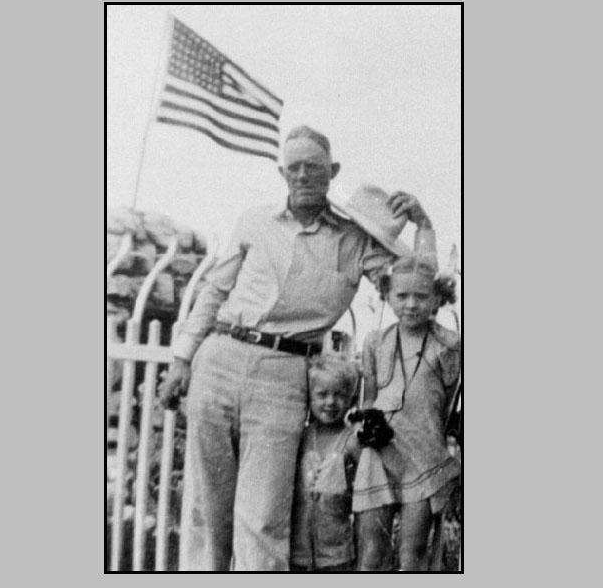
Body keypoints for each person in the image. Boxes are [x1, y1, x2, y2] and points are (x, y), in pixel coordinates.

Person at [157, 125, 434, 571]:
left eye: (315, 168)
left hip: (285, 373)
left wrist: (424, 225)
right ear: (282, 171)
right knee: (206, 507)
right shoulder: (254, 220)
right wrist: (181, 359)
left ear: (333, 172)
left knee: (264, 514)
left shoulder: (356, 240)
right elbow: (213, 290)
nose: (303, 176)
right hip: (220, 356)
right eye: (295, 167)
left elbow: (418, 287)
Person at [351, 256, 461, 571]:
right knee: (371, 550)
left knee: (412, 553)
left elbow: (450, 405)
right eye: (401, 296)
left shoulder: (450, 344)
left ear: (438, 298)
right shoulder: (376, 342)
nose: (411, 304)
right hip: (381, 449)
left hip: (424, 454)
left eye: (421, 296)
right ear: (387, 295)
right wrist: (369, 420)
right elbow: (370, 398)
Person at [290, 356, 361, 572]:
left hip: (336, 554)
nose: (331, 402)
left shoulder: (351, 441)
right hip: (297, 552)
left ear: (351, 399)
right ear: (309, 397)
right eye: (322, 394)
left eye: (339, 395)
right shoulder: (301, 437)